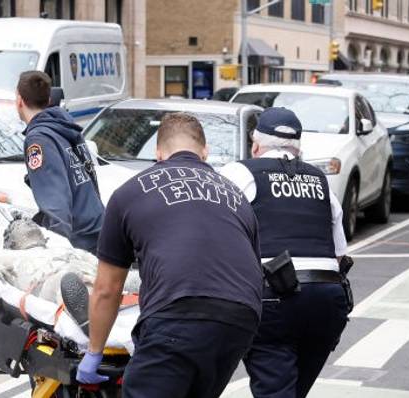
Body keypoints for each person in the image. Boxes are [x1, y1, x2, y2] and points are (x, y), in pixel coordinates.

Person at [77, 112, 262, 397]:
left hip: (177, 314)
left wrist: (94, 353)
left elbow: (106, 288)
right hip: (240, 319)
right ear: (204, 152)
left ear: (158, 152)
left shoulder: (130, 192)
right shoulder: (236, 196)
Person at [218, 108, 351, 398]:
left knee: (276, 388)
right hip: (327, 299)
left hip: (273, 298)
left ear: (255, 145)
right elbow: (340, 253)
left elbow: (212, 230)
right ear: (298, 147)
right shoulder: (319, 180)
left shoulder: (240, 172)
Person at [15, 71, 104, 252]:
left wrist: (56, 253)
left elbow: (55, 203)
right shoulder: (65, 127)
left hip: (79, 243)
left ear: (19, 101)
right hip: (97, 230)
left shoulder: (38, 139)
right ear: (48, 100)